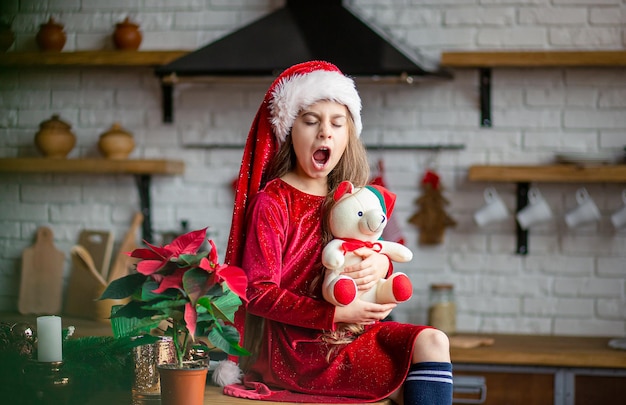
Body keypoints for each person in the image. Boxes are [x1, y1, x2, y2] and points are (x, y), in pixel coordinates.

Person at [224, 61, 452, 405]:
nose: (324, 132)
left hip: (354, 333)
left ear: (348, 135)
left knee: (434, 341)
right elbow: (257, 293)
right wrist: (334, 314)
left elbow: (365, 252)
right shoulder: (273, 201)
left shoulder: (351, 199)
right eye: (311, 121)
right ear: (288, 131)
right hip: (299, 350)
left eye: (337, 123)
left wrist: (381, 269)